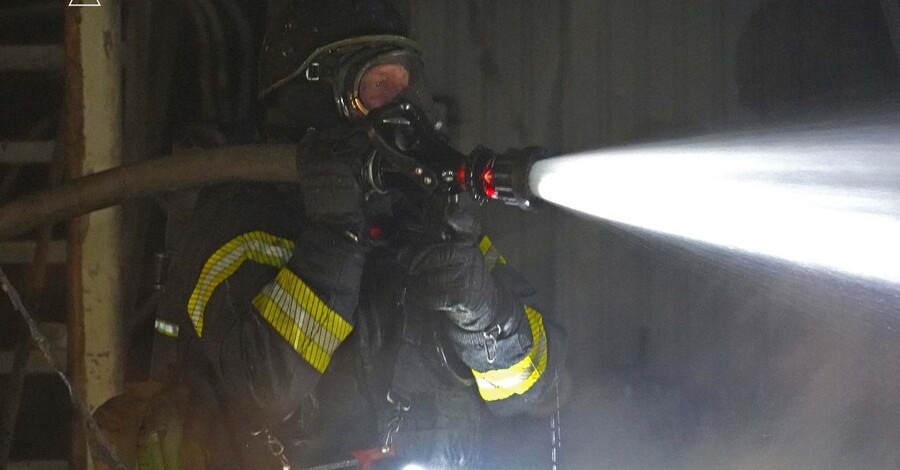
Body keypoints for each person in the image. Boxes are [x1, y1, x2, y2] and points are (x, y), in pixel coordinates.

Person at [100, 1, 566, 468]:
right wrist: (336, 240)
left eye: (406, 85)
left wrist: (484, 310)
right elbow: (262, 390)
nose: (400, 107)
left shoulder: (429, 219)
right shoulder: (239, 216)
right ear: (318, 96)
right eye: (379, 86)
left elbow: (541, 388)